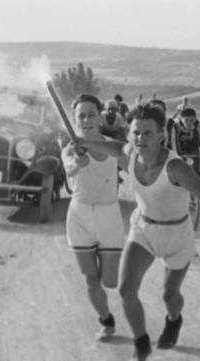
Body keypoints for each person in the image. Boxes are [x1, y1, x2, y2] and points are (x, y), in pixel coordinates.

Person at [74, 102, 200, 361]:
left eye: (148, 134)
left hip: (177, 235)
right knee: (126, 289)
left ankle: (174, 320)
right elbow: (113, 147)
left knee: (170, 295)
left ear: (162, 136)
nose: (140, 139)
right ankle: (142, 344)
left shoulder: (177, 169)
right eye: (136, 133)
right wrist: (84, 143)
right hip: (144, 230)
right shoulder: (128, 154)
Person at [61, 94, 125, 341]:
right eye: (81, 115)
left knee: (109, 281)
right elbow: (68, 168)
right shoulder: (69, 149)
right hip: (80, 216)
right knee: (90, 278)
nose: (86, 119)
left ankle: (104, 293)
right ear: (75, 119)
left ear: (100, 117)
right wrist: (78, 162)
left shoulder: (113, 146)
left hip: (109, 215)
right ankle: (106, 320)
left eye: (91, 114)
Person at [168, 107, 200, 176]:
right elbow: (174, 143)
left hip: (194, 151)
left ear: (195, 118)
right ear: (181, 119)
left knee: (195, 172)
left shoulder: (198, 126)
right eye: (186, 120)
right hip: (180, 150)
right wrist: (177, 158)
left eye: (192, 120)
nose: (189, 123)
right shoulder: (175, 126)